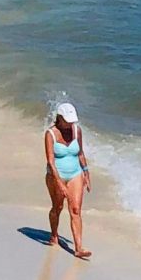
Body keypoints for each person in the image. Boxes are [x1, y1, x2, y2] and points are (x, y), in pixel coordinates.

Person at [45, 101, 93, 259]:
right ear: (59, 118)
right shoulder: (50, 134)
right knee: (57, 207)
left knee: (75, 210)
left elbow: (80, 153)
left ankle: (78, 247)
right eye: (67, 120)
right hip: (56, 176)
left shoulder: (76, 131)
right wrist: (59, 183)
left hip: (75, 174)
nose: (71, 123)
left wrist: (86, 172)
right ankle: (54, 235)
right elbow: (51, 161)